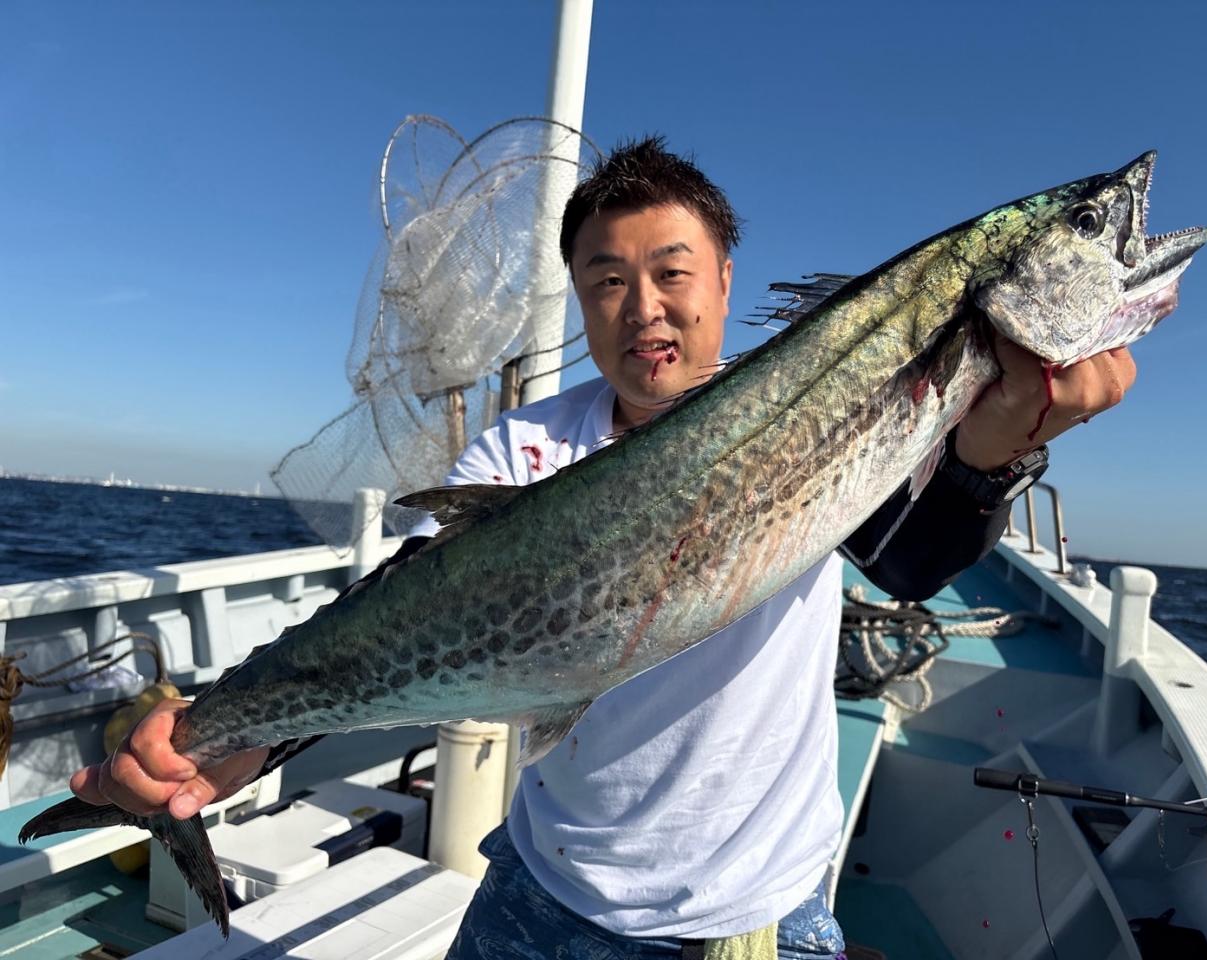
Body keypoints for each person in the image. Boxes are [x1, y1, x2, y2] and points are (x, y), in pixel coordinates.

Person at [68, 138, 1136, 957]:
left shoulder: (815, 408)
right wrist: (230, 745)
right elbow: (396, 631)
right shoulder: (526, 447)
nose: (643, 309)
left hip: (750, 913)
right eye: (606, 280)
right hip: (544, 887)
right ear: (580, 298)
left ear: (725, 281)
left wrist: (990, 459)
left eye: (672, 272)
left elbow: (905, 561)